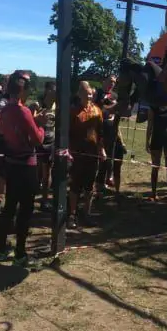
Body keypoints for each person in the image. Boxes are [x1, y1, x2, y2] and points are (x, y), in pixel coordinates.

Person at [0, 71, 45, 266]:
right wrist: (41, 125)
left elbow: (12, 130)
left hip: (11, 163)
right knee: (26, 209)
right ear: (24, 91)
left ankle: (1, 248)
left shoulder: (5, 109)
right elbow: (37, 139)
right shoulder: (24, 111)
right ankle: (20, 253)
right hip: (26, 164)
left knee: (9, 206)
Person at [68, 82, 106, 227]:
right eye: (85, 93)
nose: (88, 96)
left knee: (90, 186)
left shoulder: (97, 111)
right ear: (79, 94)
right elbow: (67, 133)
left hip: (92, 153)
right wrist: (68, 150)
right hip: (77, 153)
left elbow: (100, 132)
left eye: (90, 94)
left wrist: (101, 149)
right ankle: (72, 215)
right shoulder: (73, 111)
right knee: (75, 185)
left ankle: (87, 214)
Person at [146, 104, 167, 203]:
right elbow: (150, 125)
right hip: (156, 139)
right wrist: (147, 141)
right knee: (155, 166)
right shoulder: (153, 108)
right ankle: (153, 194)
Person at [35, 81, 56, 212]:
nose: (54, 93)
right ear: (47, 90)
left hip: (50, 142)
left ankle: (45, 200)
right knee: (36, 171)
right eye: (52, 90)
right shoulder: (38, 104)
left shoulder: (56, 106)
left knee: (47, 172)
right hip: (38, 142)